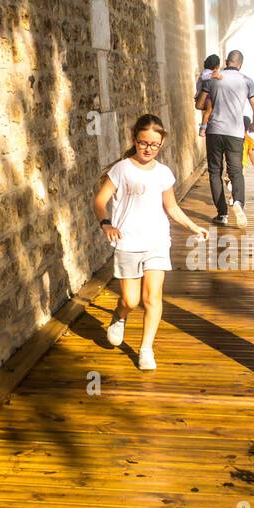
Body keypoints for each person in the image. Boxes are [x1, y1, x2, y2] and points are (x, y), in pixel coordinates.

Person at [93, 114, 210, 371]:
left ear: (161, 144)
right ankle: (119, 315)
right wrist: (106, 224)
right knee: (131, 300)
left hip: (157, 241)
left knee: (152, 298)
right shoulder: (121, 169)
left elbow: (171, 207)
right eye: (144, 143)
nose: (148, 149)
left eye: (154, 145)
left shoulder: (163, 173)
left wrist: (193, 226)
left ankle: (146, 349)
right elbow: (99, 202)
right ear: (135, 140)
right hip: (127, 243)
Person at [196, 50, 254, 228]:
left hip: (214, 131)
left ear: (226, 61)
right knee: (236, 171)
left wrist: (211, 100)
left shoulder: (213, 78)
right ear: (241, 64)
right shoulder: (247, 81)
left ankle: (222, 214)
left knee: (215, 172)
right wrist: (253, 126)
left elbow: (200, 104)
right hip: (235, 133)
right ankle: (238, 202)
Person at [194, 54, 224, 133]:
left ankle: (205, 126)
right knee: (209, 110)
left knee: (210, 111)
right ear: (216, 66)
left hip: (206, 96)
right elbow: (204, 77)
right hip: (204, 96)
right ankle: (202, 128)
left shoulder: (208, 72)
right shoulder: (207, 73)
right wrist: (214, 76)